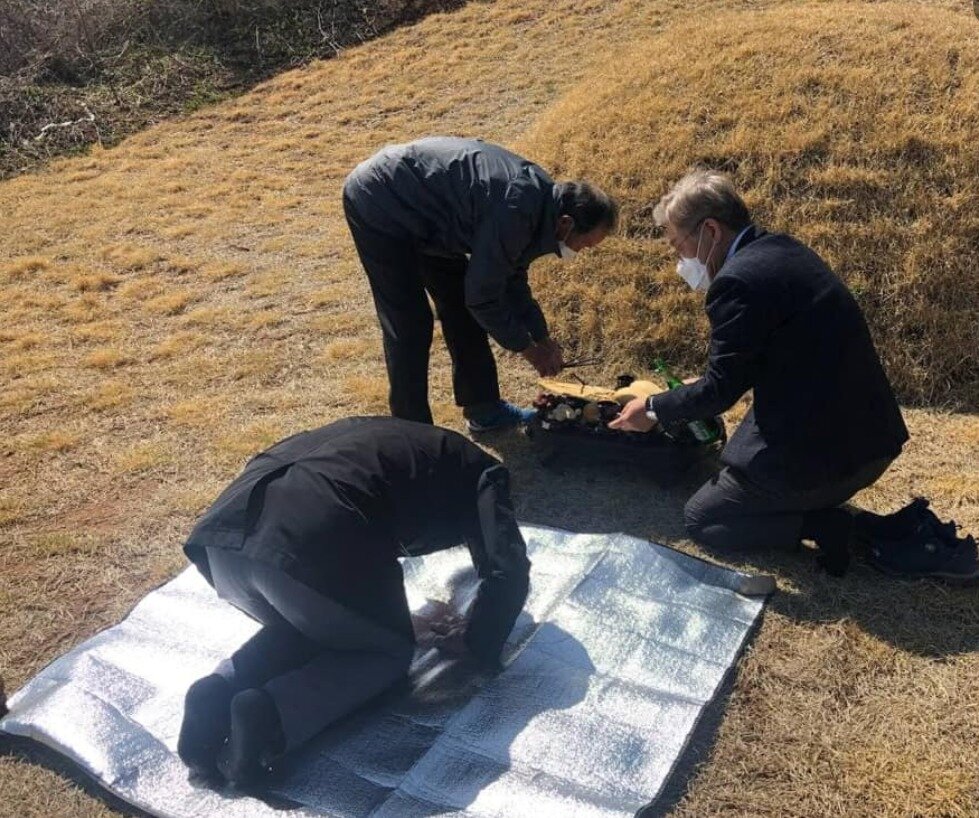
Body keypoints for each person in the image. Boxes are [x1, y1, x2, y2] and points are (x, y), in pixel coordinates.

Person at [611, 170, 977, 580]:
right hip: (873, 436)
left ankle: (832, 527)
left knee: (706, 519)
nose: (681, 262)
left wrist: (654, 408)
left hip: (834, 455)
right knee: (739, 464)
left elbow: (719, 390)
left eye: (679, 246)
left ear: (710, 230)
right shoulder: (782, 248)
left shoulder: (736, 284)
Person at [177, 417, 530, 787]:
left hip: (223, 540)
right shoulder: (485, 474)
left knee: (309, 622)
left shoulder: (396, 441)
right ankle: (271, 715)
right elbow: (508, 569)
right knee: (385, 651)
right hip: (305, 541)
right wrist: (477, 640)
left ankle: (219, 689)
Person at [343, 136, 618, 432]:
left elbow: (511, 277)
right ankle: (413, 433)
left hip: (432, 216)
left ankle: (483, 409)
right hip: (380, 200)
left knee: (460, 305)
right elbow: (484, 297)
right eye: (586, 244)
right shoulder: (517, 209)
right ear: (566, 224)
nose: (581, 252)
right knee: (410, 322)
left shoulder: (543, 206)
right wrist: (528, 349)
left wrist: (542, 337)